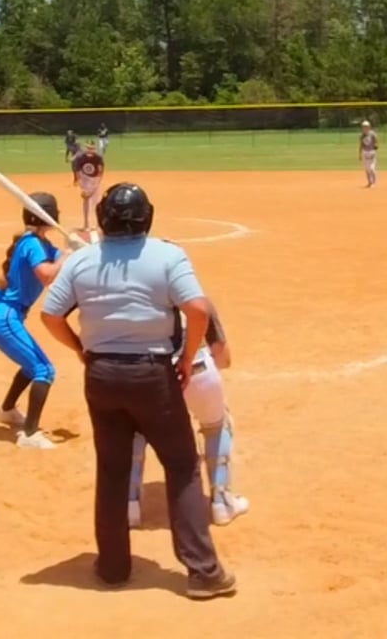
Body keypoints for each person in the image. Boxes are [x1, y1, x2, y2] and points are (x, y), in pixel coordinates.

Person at [39, 183, 236, 600]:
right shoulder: (166, 255)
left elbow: (50, 315)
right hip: (152, 373)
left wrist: (81, 349)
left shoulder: (83, 260)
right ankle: (203, 572)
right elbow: (198, 309)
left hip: (102, 374)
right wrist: (186, 357)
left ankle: (112, 569)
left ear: (104, 219)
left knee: (112, 469)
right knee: (181, 465)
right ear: (147, 217)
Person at [127, 302, 249, 529]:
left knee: (135, 429)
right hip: (197, 370)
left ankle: (129, 505)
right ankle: (222, 503)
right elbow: (223, 358)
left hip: (148, 374)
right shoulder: (197, 299)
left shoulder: (134, 301)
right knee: (217, 425)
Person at [0, 191, 71, 450]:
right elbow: (47, 274)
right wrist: (67, 255)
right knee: (44, 370)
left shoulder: (38, 243)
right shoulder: (32, 243)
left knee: (31, 364)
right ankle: (30, 434)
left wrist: (78, 247)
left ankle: (7, 410)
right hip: (4, 317)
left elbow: (62, 261)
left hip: (2, 315)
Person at [70, 142, 105, 229]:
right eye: (88, 148)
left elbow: (100, 171)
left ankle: (98, 223)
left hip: (94, 179)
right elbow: (78, 171)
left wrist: (95, 185)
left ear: (94, 149)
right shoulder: (80, 157)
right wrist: (81, 185)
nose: (89, 150)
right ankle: (86, 223)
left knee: (96, 202)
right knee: (86, 200)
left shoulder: (98, 158)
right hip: (85, 179)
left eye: (91, 148)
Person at [358, 120, 379, 188]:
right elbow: (361, 145)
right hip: (365, 153)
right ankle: (369, 182)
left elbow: (376, 142)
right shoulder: (361, 136)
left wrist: (375, 146)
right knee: (367, 169)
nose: (365, 128)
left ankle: (373, 183)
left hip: (371, 152)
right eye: (363, 127)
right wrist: (359, 154)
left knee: (372, 169)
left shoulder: (372, 134)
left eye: (366, 126)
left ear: (369, 127)